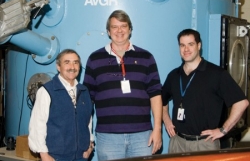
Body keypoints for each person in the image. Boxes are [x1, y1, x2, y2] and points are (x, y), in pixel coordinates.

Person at [83, 10, 162, 160]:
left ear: (130, 30)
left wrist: (157, 129)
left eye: (123, 26)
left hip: (142, 136)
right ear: (108, 31)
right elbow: (87, 100)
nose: (119, 31)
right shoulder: (94, 59)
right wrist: (87, 134)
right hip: (108, 137)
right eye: (114, 27)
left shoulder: (146, 57)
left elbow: (156, 94)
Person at [162, 28, 249, 153]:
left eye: (190, 44)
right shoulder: (174, 75)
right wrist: (167, 120)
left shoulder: (217, 74)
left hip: (204, 144)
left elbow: (242, 102)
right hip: (177, 142)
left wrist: (223, 130)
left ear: (199, 45)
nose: (186, 49)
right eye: (182, 45)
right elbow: (161, 101)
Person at [28, 49, 94, 161]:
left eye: (75, 62)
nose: (72, 67)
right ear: (58, 67)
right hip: (56, 157)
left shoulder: (84, 91)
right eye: (67, 62)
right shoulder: (47, 91)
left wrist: (90, 146)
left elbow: (88, 121)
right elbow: (37, 124)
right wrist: (44, 155)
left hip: (81, 157)